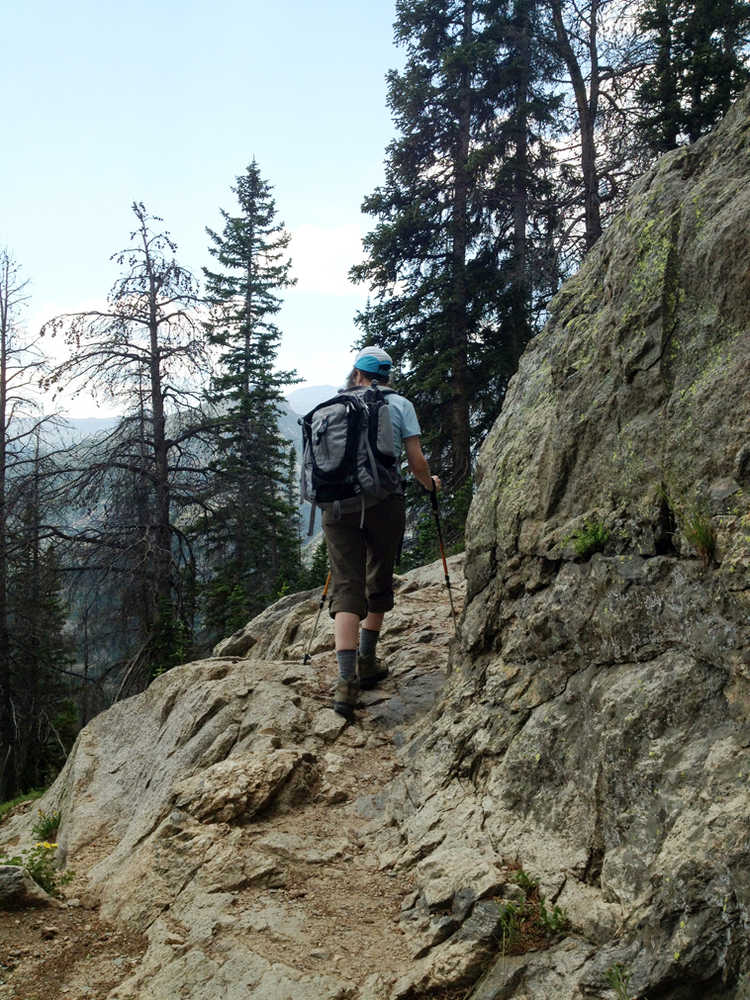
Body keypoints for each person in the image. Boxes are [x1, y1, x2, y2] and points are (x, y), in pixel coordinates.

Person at [322, 345, 440, 720]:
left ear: (357, 374)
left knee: (346, 587)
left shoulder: (334, 405)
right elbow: (416, 461)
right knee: (378, 576)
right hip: (384, 502)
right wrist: (429, 484)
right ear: (386, 376)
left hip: (337, 505)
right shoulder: (400, 405)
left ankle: (345, 683)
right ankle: (368, 659)